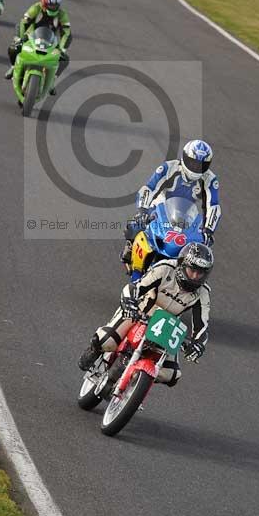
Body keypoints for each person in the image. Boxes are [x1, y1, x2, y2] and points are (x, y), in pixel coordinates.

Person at [78, 242, 214, 386]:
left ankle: (138, 378)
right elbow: (136, 286)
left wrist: (198, 345)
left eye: (200, 273)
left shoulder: (203, 292)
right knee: (107, 341)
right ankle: (95, 350)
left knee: (172, 375)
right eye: (192, 270)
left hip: (166, 328)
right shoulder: (166, 268)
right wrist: (129, 303)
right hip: (140, 311)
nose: (195, 276)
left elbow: (202, 326)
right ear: (182, 263)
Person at [121, 140, 221, 264]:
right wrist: (143, 210)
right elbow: (149, 189)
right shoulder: (169, 168)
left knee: (201, 248)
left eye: (200, 165)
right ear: (184, 157)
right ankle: (131, 246)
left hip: (187, 213)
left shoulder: (210, 179)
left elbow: (213, 206)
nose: (196, 168)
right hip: (160, 206)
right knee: (135, 225)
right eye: (193, 162)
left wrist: (208, 231)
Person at [4, 0, 72, 94]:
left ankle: (52, 80)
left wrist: (62, 49)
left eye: (55, 5)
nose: (52, 7)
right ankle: (13, 67)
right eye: (50, 5)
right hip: (31, 37)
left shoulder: (62, 14)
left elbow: (67, 33)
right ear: (44, 2)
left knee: (65, 59)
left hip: (51, 41)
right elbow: (23, 23)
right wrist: (19, 38)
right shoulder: (36, 8)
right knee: (13, 48)